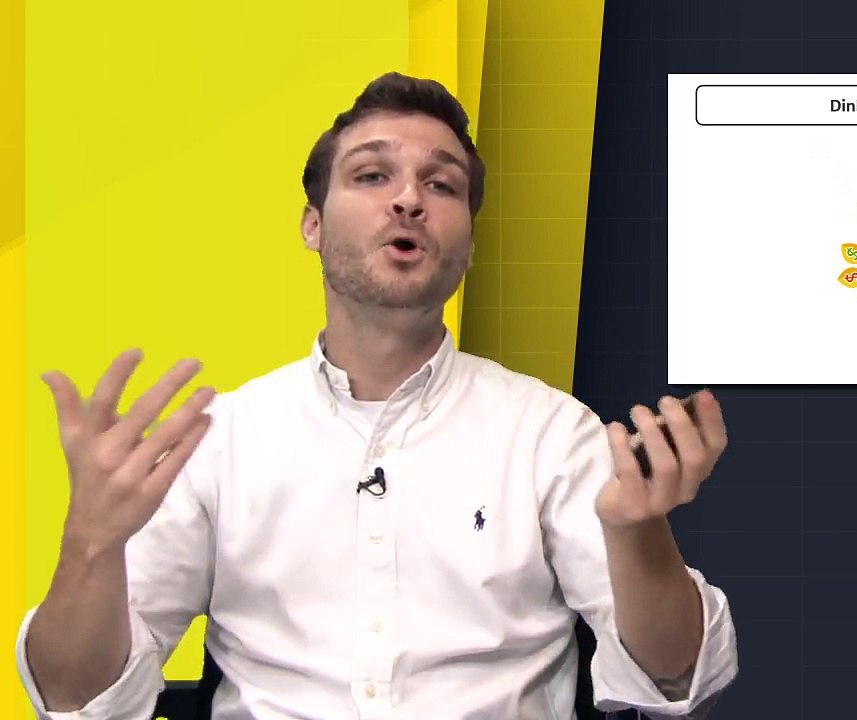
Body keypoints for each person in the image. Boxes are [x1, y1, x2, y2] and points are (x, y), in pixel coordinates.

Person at [16, 72, 738, 719]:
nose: (409, 199)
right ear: (312, 225)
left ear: (468, 243)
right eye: (371, 175)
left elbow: (677, 677)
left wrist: (638, 536)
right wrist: (90, 544)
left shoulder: (549, 432)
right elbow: (78, 700)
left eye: (442, 185)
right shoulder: (222, 439)